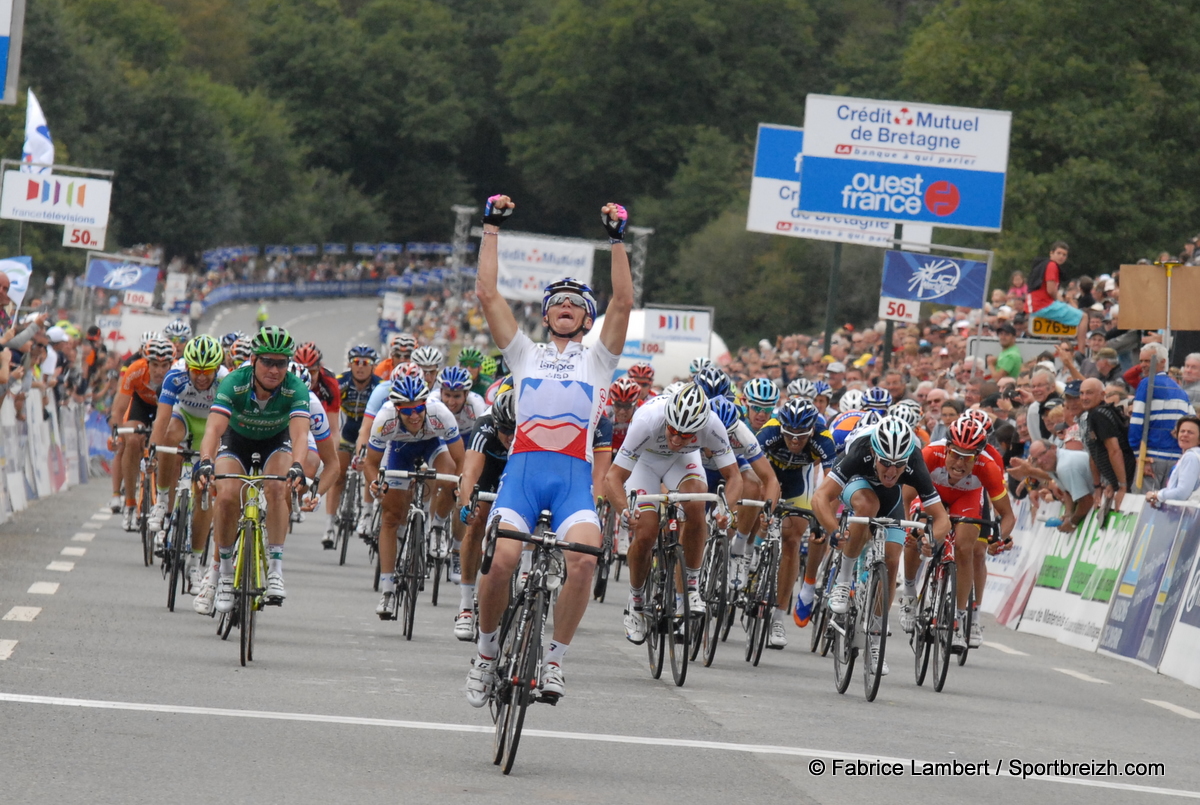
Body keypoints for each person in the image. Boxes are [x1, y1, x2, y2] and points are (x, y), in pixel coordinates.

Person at [466, 194, 633, 707]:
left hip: (572, 485)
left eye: (575, 302)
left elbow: (623, 302)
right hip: (521, 475)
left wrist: (617, 241)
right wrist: (491, 227)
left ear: (586, 317)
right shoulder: (524, 353)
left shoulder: (600, 359)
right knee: (502, 559)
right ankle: (487, 653)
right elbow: (487, 292)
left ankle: (555, 658)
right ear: (544, 316)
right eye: (556, 301)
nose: (565, 305)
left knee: (583, 561)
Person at [812, 417, 951, 676]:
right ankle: (843, 581)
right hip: (857, 485)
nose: (891, 471)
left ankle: (875, 642)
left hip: (891, 497)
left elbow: (942, 519)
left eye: (898, 466)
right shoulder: (860, 452)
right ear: (875, 454)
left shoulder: (914, 462)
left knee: (891, 559)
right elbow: (820, 496)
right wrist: (834, 530)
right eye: (885, 463)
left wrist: (932, 540)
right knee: (867, 506)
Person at [605, 384, 742, 646]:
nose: (677, 439)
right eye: (673, 431)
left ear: (700, 428)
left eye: (687, 435)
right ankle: (635, 603)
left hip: (683, 462)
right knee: (645, 532)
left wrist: (725, 508)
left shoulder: (712, 425)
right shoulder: (647, 421)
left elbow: (734, 477)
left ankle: (690, 588)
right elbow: (613, 476)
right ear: (667, 419)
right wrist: (624, 509)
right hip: (644, 463)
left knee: (696, 504)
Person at [195, 327, 310, 611]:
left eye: (281, 363)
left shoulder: (295, 387)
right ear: (254, 360)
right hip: (237, 440)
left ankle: (275, 570)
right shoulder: (234, 382)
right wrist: (207, 460)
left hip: (275, 441)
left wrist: (297, 466)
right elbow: (214, 428)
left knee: (276, 486)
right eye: (268, 362)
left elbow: (299, 436)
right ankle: (222, 574)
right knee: (228, 493)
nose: (274, 369)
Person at [900, 415, 1015, 649]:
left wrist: (1000, 539)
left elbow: (1008, 515)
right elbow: (906, 498)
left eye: (968, 458)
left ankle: (959, 617)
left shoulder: (988, 466)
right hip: (931, 495)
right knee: (914, 534)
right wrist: (908, 528)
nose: (959, 464)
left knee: (965, 549)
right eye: (955, 454)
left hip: (966, 498)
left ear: (978, 456)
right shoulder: (931, 454)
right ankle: (910, 594)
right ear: (947, 448)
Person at [363, 374, 464, 617]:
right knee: (391, 516)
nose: (415, 415)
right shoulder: (385, 419)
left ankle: (438, 526)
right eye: (407, 411)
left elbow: (460, 459)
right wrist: (376, 484)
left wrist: (460, 487)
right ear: (397, 409)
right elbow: (371, 463)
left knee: (451, 476)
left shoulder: (439, 413)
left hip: (431, 446)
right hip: (399, 451)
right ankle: (387, 592)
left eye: (419, 408)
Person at [147, 335, 228, 588]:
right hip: (184, 418)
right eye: (196, 371)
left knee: (204, 492)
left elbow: (231, 426)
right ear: (187, 367)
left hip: (213, 426)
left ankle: (194, 563)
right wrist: (153, 451)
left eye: (208, 371)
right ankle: (161, 501)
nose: (202, 377)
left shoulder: (226, 381)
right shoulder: (175, 376)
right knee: (170, 435)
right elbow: (161, 420)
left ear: (217, 368)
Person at [109, 338, 175, 531]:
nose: (159, 371)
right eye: (154, 365)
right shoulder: (135, 370)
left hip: (168, 408)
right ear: (147, 362)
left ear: (171, 364)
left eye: (164, 365)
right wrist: (118, 435)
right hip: (142, 406)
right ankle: (130, 503)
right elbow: (118, 411)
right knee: (132, 439)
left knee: (170, 445)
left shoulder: (178, 374)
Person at [326, 345, 381, 547]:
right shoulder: (341, 382)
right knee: (338, 476)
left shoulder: (379, 386)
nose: (360, 367)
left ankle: (366, 514)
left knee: (369, 469)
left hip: (368, 432)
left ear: (373, 366)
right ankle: (329, 526)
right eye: (356, 362)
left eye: (365, 363)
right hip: (347, 430)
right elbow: (330, 409)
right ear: (350, 364)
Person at [1128, 343, 1195, 490]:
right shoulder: (1180, 390)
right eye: (1141, 361)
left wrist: (1139, 457)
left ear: (1163, 362)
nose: (1142, 365)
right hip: (1176, 460)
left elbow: (1137, 423)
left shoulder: (1147, 383)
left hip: (1151, 458)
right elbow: (1194, 424)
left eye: (1147, 361)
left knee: (1142, 505)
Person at [1009, 439, 1095, 532]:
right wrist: (1068, 514)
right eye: (1035, 459)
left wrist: (1072, 523)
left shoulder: (1064, 466)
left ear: (1053, 448)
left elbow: (1087, 501)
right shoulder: (1054, 463)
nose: (1040, 460)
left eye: (1042, 454)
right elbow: (1067, 492)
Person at [1078, 377, 1135, 509]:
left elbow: (1115, 451)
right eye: (1081, 393)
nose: (1084, 397)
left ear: (1102, 395)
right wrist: (1104, 484)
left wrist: (1122, 487)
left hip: (1129, 480)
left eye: (1089, 393)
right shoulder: (1094, 414)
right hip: (1118, 480)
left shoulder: (1099, 414)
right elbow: (1095, 453)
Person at [1026, 241, 1085, 339]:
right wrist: (1061, 301)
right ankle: (1081, 352)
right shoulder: (1052, 265)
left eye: (1064, 255)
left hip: (1034, 305)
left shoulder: (1043, 265)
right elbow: (1051, 290)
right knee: (1083, 317)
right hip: (1042, 305)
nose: (1061, 256)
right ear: (1051, 253)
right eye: (1059, 253)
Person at [1147, 416, 1200, 507]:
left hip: (1186, 515)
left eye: (1190, 432)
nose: (1185, 435)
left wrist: (1156, 495)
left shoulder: (1190, 457)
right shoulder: (1191, 455)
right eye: (1182, 431)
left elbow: (1182, 493)